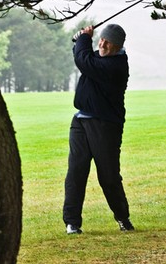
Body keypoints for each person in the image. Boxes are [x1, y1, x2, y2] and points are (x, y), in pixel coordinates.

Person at [63, 24, 134, 234]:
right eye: (101, 40)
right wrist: (79, 42)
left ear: (118, 46)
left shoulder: (117, 66)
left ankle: (122, 217)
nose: (101, 44)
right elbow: (82, 57)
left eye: (107, 42)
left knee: (108, 176)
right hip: (80, 121)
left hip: (105, 125)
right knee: (76, 172)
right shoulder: (99, 58)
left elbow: (83, 60)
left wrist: (84, 37)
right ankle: (72, 222)